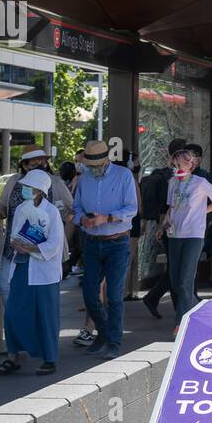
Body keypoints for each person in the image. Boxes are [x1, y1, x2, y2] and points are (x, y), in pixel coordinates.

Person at [0, 170, 66, 376]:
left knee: (46, 315)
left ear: (39, 190)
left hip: (44, 271)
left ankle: (49, 359)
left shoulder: (52, 212)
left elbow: (55, 244)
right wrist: (18, 244)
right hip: (21, 266)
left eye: (28, 187)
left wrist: (33, 248)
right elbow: (13, 234)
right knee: (13, 313)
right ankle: (14, 355)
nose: (24, 189)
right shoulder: (20, 208)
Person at [72, 140, 138, 358]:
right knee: (89, 294)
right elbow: (77, 206)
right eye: (90, 166)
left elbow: (132, 208)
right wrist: (83, 219)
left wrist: (107, 218)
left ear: (107, 160)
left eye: (97, 165)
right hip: (91, 241)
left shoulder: (123, 175)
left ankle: (114, 342)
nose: (94, 169)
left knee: (115, 295)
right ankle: (103, 331)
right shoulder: (84, 179)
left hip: (117, 241)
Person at [0, 149, 74, 312]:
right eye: (34, 162)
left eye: (43, 161)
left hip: (44, 250)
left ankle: (28, 323)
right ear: (24, 165)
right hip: (14, 246)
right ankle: (14, 321)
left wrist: (64, 223)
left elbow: (72, 208)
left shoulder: (55, 183)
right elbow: (2, 203)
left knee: (41, 294)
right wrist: (0, 211)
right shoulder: (13, 182)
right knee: (5, 285)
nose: (40, 165)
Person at [160, 143, 212, 333]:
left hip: (194, 235)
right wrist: (164, 223)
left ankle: (181, 323)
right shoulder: (172, 183)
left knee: (185, 280)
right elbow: (171, 207)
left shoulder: (200, 183)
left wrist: (203, 211)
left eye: (181, 164)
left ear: (190, 165)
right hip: (175, 234)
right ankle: (203, 312)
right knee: (175, 281)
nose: (177, 167)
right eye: (175, 164)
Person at [138, 139, 184, 319]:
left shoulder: (166, 175)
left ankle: (155, 297)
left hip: (167, 224)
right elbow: (168, 205)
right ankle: (177, 306)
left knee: (175, 267)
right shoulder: (171, 178)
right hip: (169, 224)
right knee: (176, 268)